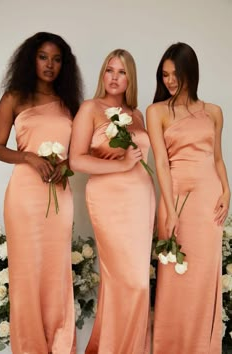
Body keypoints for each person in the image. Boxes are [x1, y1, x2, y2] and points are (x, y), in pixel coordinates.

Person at [0, 32, 83, 354]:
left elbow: (80, 151)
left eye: (57, 59)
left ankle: (60, 346)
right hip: (24, 196)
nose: (50, 65)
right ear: (31, 58)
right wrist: (28, 157)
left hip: (59, 196)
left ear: (65, 65)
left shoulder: (70, 103)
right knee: (27, 273)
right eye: (43, 57)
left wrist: (67, 164)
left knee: (55, 271)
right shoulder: (15, 96)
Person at [69, 48, 155, 354]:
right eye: (109, 70)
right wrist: (121, 164)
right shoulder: (90, 108)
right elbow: (76, 160)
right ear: (102, 74)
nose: (114, 77)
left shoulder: (139, 114)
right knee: (124, 280)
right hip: (108, 200)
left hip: (141, 198)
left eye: (121, 72)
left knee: (137, 281)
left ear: (130, 77)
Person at [146, 42, 230, 354]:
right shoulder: (156, 112)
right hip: (177, 200)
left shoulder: (213, 112)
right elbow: (162, 165)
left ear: (190, 73)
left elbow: (217, 158)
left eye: (175, 74)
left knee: (204, 276)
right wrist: (169, 209)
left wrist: (227, 190)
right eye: (164, 74)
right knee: (175, 277)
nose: (169, 80)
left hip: (208, 202)